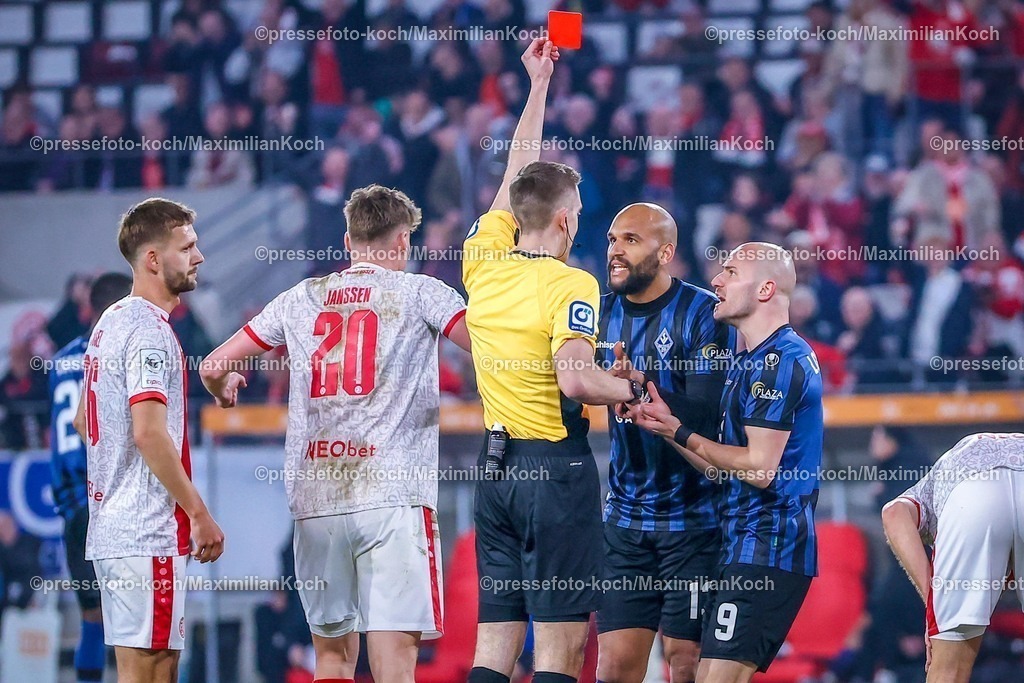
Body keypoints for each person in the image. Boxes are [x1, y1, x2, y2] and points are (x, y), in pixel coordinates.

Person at [200, 184, 472, 683]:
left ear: (348, 240)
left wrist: (223, 388)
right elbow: (485, 346)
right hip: (392, 496)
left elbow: (214, 364)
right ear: (402, 242)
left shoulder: (300, 298)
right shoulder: (421, 292)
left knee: (331, 658)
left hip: (318, 499)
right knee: (395, 663)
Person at [463, 38, 648, 683]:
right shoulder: (572, 284)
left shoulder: (481, 262)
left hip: (494, 475)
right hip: (555, 471)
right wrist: (624, 388)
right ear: (569, 223)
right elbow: (574, 376)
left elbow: (518, 176)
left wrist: (537, 85)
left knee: (492, 648)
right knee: (560, 652)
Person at [629, 242, 823, 683]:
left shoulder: (779, 362)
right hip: (740, 543)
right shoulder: (746, 362)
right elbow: (721, 468)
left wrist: (680, 431)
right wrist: (664, 426)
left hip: (769, 546)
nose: (715, 280)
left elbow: (758, 468)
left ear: (766, 289)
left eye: (731, 272)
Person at [72, 198, 225, 683]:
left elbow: (83, 420)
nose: (198, 257)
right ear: (154, 259)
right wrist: (198, 514)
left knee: (138, 671)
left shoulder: (109, 322)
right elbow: (148, 432)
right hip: (147, 532)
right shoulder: (149, 331)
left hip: (115, 531)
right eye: (188, 247)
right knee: (156, 672)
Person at [594, 203, 735, 683]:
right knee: (613, 667)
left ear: (666, 251)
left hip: (692, 520)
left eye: (630, 240)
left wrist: (640, 384)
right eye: (613, 239)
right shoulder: (598, 313)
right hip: (624, 519)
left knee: (685, 660)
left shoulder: (702, 312)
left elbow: (709, 410)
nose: (615, 251)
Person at [882, 432, 1024, 683]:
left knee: (949, 668)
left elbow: (893, 513)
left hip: (972, 488)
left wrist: (933, 602)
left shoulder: (928, 490)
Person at [48, 271, 132, 683]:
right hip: (109, 497)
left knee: (92, 620)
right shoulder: (115, 353)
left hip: (71, 503)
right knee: (139, 621)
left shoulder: (60, 359)